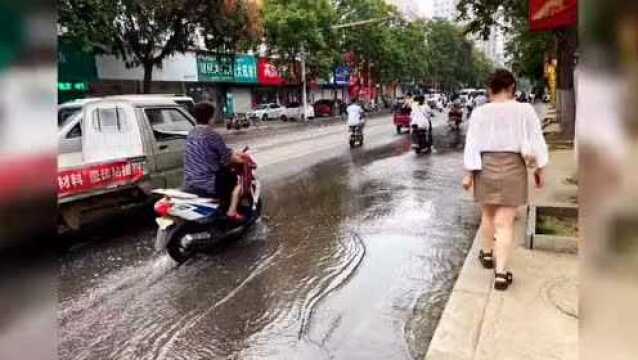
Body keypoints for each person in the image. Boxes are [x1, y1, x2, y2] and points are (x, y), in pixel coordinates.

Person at [462, 69, 549, 291]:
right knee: (505, 222)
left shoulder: (480, 113)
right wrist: (540, 168)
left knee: (488, 214)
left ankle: (487, 254)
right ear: (512, 88)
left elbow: (472, 144)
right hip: (513, 168)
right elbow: (536, 140)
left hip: (486, 167)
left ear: (490, 89)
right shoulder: (525, 110)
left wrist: (469, 173)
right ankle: (500, 274)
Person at [183, 102, 247, 222]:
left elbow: (219, 150)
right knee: (237, 182)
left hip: (189, 180)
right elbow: (227, 158)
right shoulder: (211, 134)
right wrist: (241, 160)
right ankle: (232, 212)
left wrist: (234, 152)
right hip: (208, 182)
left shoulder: (191, 133)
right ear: (211, 118)